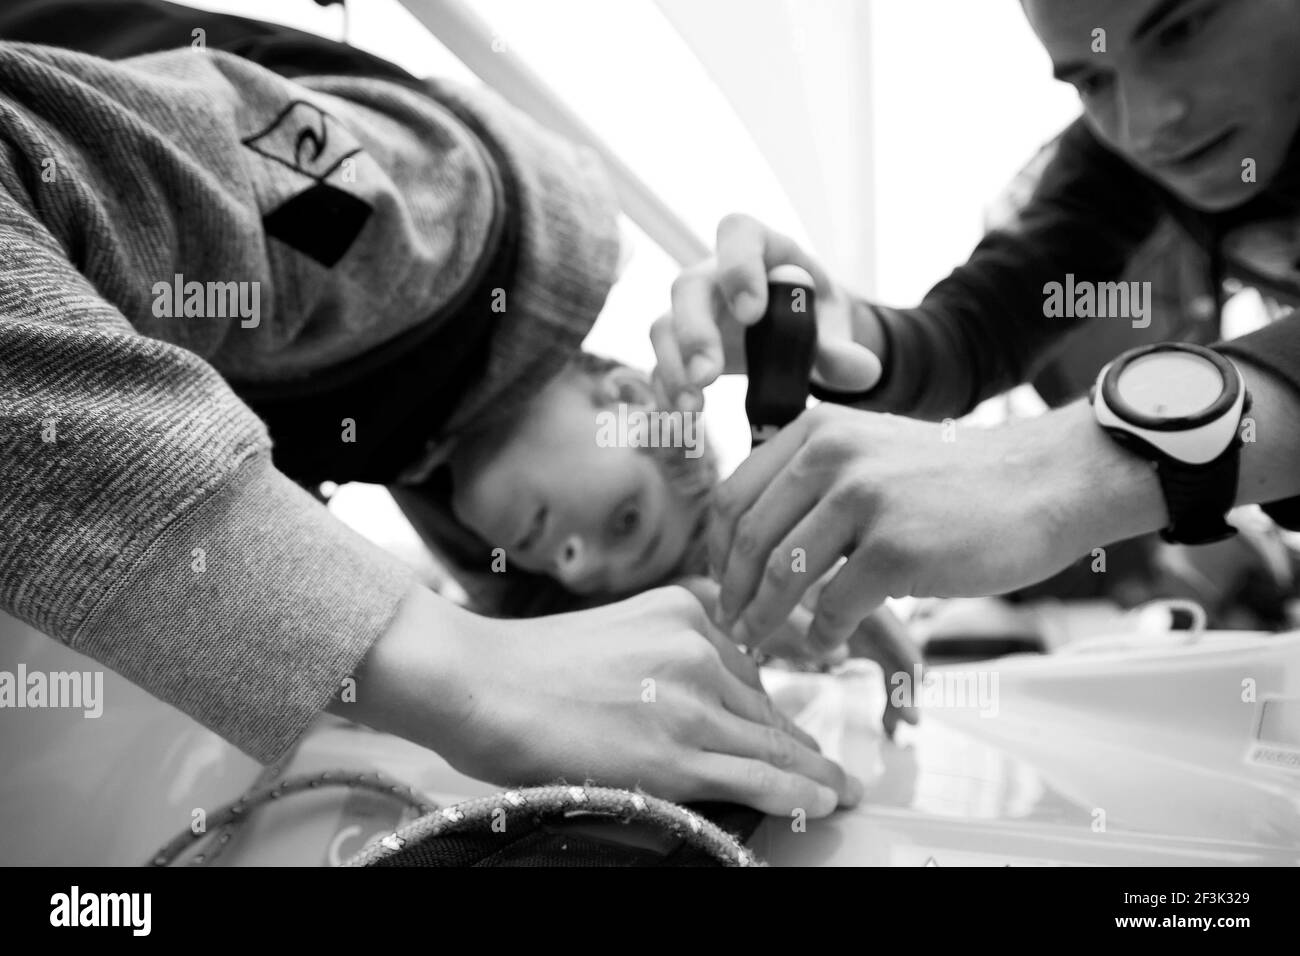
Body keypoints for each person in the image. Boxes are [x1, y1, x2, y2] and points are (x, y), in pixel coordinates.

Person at [0, 0, 859, 818]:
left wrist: (741, 599)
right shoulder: (409, 220)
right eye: (627, 519)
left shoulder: (423, 427)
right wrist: (449, 666)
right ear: (630, 399)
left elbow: (544, 642)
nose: (575, 560)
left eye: (581, 575)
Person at [653, 0, 1300, 654]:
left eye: (1180, 29)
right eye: (1091, 80)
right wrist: (854, 336)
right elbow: (980, 326)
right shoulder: (1118, 153)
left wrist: (1050, 471)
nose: (1149, 122)